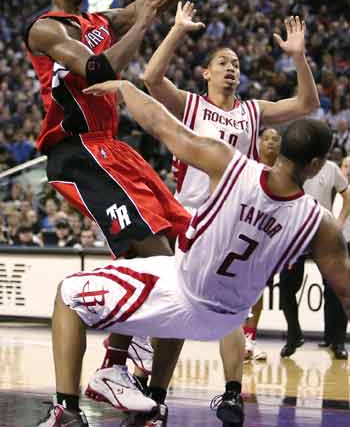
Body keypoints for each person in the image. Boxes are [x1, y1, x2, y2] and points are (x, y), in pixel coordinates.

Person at [37, 79, 350, 427]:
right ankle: (154, 402)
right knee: (165, 278)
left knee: (69, 294)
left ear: (279, 147)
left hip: (182, 292)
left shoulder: (232, 166)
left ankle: (68, 408)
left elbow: (162, 124)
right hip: (229, 320)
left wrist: (126, 87)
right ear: (318, 165)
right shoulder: (322, 224)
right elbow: (346, 293)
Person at [26, 0, 191, 418]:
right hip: (77, 152)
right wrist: (139, 25)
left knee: (168, 256)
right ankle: (111, 367)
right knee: (152, 256)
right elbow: (100, 70)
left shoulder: (97, 18)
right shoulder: (47, 29)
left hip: (111, 148)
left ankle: (116, 360)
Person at [142, 4, 319, 379]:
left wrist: (299, 58)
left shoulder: (253, 112)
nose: (231, 67)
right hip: (187, 217)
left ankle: (233, 391)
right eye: (223, 62)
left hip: (229, 221)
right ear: (206, 72)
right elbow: (152, 78)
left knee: (231, 312)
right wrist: (176, 30)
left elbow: (307, 104)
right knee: (172, 307)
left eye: (236, 63)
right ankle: (151, 378)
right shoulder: (190, 105)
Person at [279, 155, 350, 358]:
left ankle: (337, 342)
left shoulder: (331, 168)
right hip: (295, 235)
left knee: (337, 288)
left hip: (323, 235)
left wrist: (339, 221)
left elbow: (347, 195)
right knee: (286, 286)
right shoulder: (293, 165)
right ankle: (294, 334)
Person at [243, 128, 281, 360]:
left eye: (274, 140)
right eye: (265, 138)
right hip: (244, 233)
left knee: (259, 290)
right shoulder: (249, 167)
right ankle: (239, 339)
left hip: (269, 238)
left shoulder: (285, 172)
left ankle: (250, 338)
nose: (269, 143)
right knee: (239, 290)